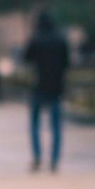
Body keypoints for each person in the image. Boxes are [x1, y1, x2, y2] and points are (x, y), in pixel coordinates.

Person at [23, 11, 70, 172]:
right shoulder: (60, 40)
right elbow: (67, 63)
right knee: (56, 127)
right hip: (56, 87)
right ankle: (55, 160)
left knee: (35, 125)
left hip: (38, 86)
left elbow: (26, 59)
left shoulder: (36, 40)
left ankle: (37, 157)